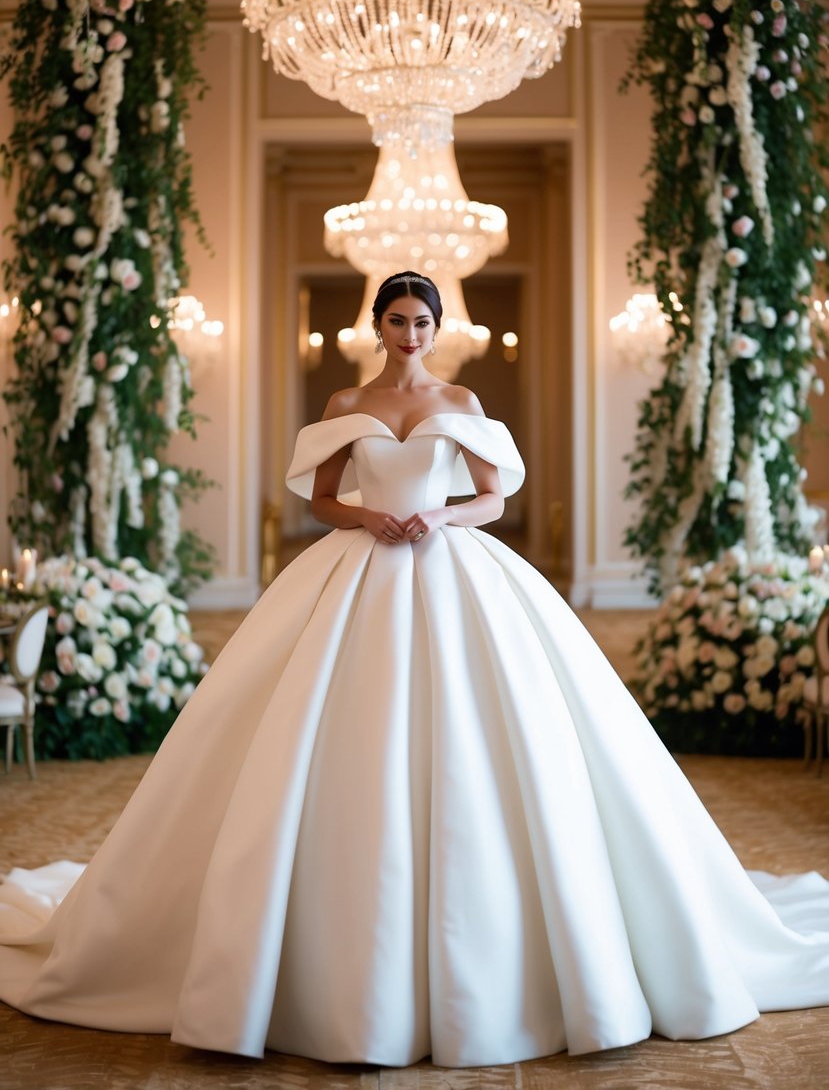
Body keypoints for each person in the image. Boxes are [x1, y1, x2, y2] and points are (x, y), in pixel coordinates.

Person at [0, 270, 828, 1068]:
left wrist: (437, 514)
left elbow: (493, 499)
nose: (410, 334)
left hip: (449, 564)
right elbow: (318, 501)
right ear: (377, 325)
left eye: (423, 322)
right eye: (397, 321)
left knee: (487, 729)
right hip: (356, 565)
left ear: (437, 327)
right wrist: (367, 517)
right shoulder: (345, 404)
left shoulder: (460, 403)